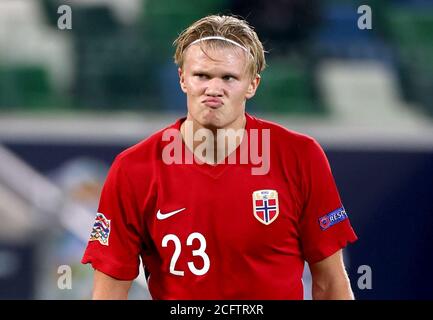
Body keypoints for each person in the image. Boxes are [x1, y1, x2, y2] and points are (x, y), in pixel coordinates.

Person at [81, 14, 358, 300]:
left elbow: (331, 283)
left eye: (229, 78)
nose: (214, 89)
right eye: (202, 76)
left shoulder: (300, 156)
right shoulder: (134, 169)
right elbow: (109, 291)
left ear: (252, 84)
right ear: (182, 79)